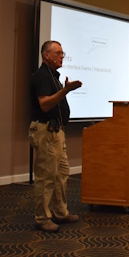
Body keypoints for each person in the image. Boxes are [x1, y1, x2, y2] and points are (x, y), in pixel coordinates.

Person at [29, 40, 83, 233]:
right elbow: (44, 105)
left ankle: (60, 213)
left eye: (63, 53)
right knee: (46, 176)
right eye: (58, 53)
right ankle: (43, 218)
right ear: (46, 55)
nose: (62, 56)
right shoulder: (42, 76)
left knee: (61, 174)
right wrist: (65, 91)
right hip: (46, 132)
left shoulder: (53, 76)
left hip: (57, 132)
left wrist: (64, 89)